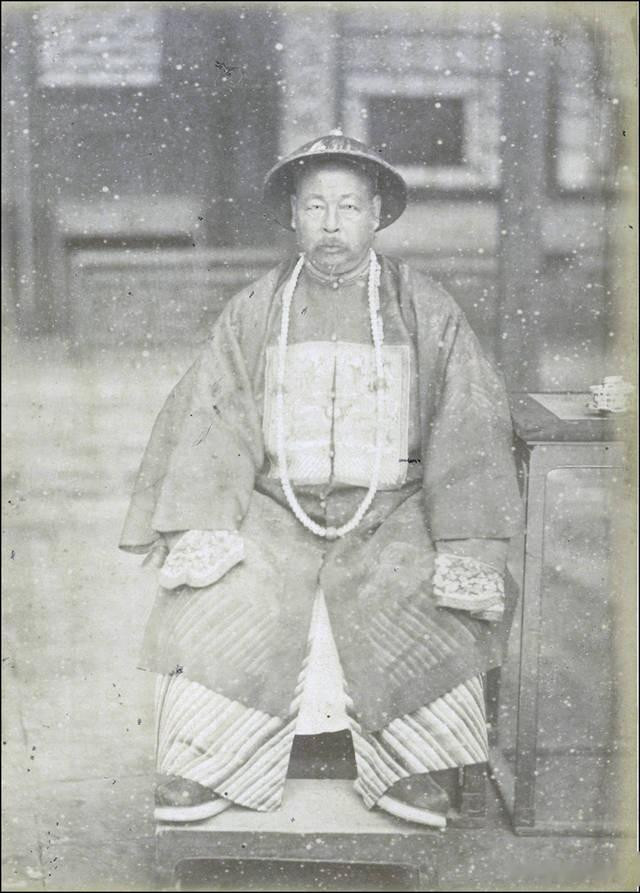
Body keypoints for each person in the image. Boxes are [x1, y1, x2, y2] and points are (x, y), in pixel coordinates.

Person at [120, 132, 524, 828]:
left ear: (377, 215)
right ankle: (207, 762)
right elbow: (215, 419)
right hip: (276, 505)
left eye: (349, 207)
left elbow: (467, 420)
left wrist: (466, 538)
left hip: (393, 507)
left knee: (416, 584)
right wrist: (207, 522)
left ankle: (417, 763)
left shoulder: (424, 306)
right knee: (224, 588)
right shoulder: (257, 308)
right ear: (293, 216)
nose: (332, 224)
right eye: (315, 207)